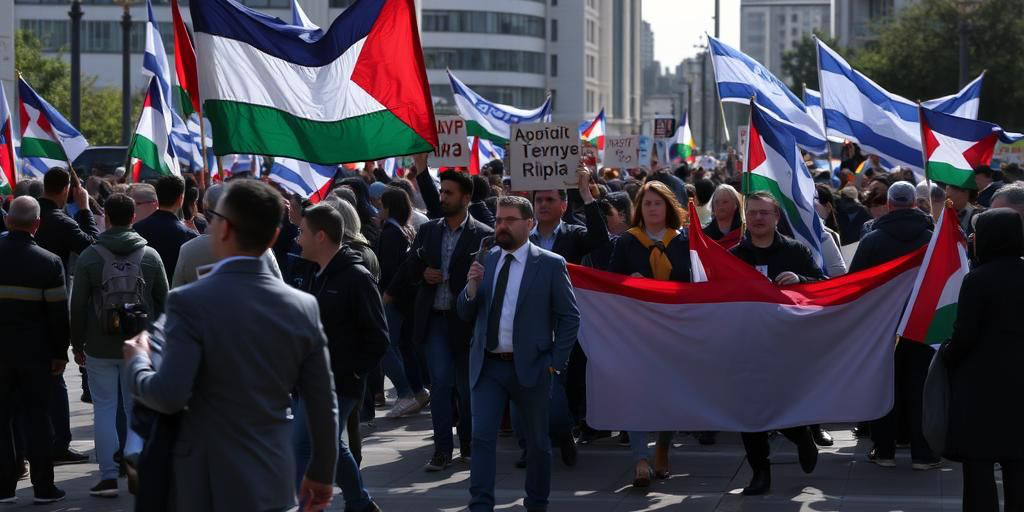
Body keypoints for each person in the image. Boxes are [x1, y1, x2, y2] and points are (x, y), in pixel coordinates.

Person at [124, 180, 340, 511]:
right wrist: (323, 473)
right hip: (274, 475)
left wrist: (138, 362)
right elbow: (323, 402)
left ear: (223, 229)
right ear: (273, 237)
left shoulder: (188, 302)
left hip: (206, 482)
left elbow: (169, 395)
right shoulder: (302, 306)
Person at [457, 195, 579, 512]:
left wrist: (555, 363)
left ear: (529, 224)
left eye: (510, 220)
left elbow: (570, 317)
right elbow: (465, 312)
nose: (502, 226)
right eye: (499, 220)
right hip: (488, 366)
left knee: (537, 443)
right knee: (482, 438)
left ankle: (537, 503)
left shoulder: (550, 264)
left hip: (533, 367)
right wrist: (471, 289)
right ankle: (480, 505)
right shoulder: (486, 260)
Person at [69, 193, 168, 497]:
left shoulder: (90, 256)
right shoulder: (150, 256)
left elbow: (77, 306)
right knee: (135, 408)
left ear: (107, 219)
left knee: (104, 409)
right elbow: (165, 303)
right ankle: (137, 472)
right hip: (139, 346)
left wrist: (77, 344)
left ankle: (109, 476)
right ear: (133, 217)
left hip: (100, 345)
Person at [293, 204, 388, 512]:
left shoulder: (356, 277)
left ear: (320, 236)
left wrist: (353, 373)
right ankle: (360, 503)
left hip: (339, 384)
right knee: (326, 444)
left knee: (305, 446)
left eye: (302, 232)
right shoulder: (311, 273)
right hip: (310, 381)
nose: (297, 239)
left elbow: (378, 337)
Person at [402, 157, 493, 471]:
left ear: (466, 198)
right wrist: (422, 272)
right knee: (440, 384)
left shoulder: (483, 235)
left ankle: (467, 444)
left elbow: (490, 280)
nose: (442, 197)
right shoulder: (428, 230)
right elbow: (410, 265)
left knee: (466, 388)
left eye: (449, 193)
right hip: (434, 321)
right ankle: (442, 449)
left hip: (466, 323)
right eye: (441, 192)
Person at [729, 192, 822, 496]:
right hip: (747, 345)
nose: (758, 218)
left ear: (776, 217)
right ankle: (760, 472)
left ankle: (801, 435)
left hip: (788, 345)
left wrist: (801, 280)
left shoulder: (796, 251)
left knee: (783, 404)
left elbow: (823, 286)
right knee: (750, 410)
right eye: (753, 212)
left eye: (764, 213)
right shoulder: (733, 256)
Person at [848, 182, 940, 470]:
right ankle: (923, 454)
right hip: (923, 325)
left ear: (888, 205)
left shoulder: (871, 241)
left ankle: (884, 451)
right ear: (915, 204)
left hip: (882, 327)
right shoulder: (933, 240)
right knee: (920, 388)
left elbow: (856, 284)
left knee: (885, 386)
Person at [521, 165, 608, 468]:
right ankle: (533, 444)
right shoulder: (522, 237)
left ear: (563, 205)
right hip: (530, 321)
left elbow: (600, 239)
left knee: (562, 383)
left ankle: (563, 429)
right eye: (538, 200)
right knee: (528, 383)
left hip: (565, 321)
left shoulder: (573, 235)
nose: (543, 205)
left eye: (549, 200)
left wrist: (587, 194)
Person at [608, 181, 691, 487]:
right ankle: (640, 459)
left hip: (674, 329)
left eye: (658, 203)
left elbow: (698, 282)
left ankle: (663, 449)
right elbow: (610, 283)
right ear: (639, 209)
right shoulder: (627, 242)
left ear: (668, 207)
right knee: (637, 393)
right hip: (637, 331)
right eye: (647, 203)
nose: (653, 208)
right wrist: (629, 282)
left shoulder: (685, 241)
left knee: (669, 394)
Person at [943, 208, 1024, 512]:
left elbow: (965, 335)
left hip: (981, 385)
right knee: (1018, 462)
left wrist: (947, 356)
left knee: (978, 464)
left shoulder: (977, 280)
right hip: (1019, 385)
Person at [0, 197, 69, 504]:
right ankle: (43, 488)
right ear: (37, 224)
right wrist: (60, 352)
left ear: (7, 220)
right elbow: (58, 315)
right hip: (36, 354)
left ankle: (4, 487)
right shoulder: (49, 262)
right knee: (38, 419)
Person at [33, 168, 94, 467]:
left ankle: (27, 448)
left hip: (18, 314)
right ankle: (58, 445)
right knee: (55, 380)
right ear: (67, 189)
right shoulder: (61, 221)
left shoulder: (33, 216)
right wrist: (84, 210)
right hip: (51, 309)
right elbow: (92, 246)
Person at [377, 188, 430, 418]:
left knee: (383, 346)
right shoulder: (403, 230)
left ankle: (405, 393)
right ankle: (418, 391)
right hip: (405, 300)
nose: (378, 210)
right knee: (406, 347)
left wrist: (387, 293)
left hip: (394, 299)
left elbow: (392, 270)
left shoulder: (391, 233)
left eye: (381, 206)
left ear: (389, 208)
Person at [171, 184, 282, 288]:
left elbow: (176, 290)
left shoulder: (188, 250)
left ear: (205, 211)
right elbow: (278, 291)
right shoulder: (259, 249)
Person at [133, 175, 199, 284]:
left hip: (143, 290)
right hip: (175, 290)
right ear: (180, 199)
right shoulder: (189, 235)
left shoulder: (137, 228)